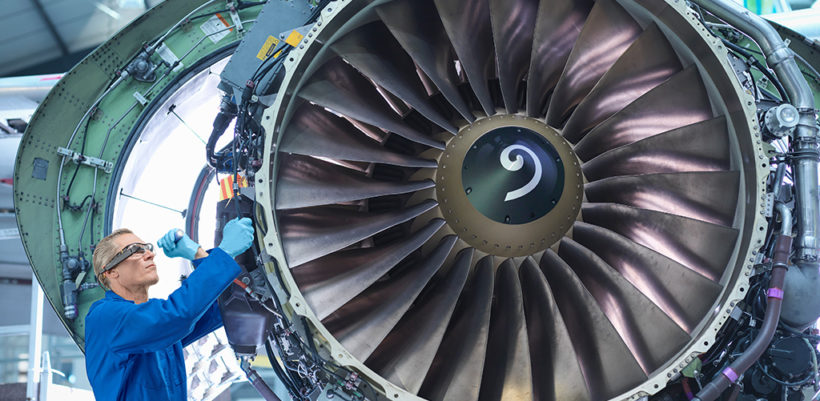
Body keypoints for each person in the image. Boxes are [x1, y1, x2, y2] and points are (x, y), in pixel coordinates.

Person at [84, 217, 254, 401]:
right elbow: (177, 315)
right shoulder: (104, 317)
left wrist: (198, 254)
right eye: (134, 250)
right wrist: (225, 252)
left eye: (147, 248)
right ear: (110, 271)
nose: (149, 254)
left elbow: (220, 307)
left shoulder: (157, 328)